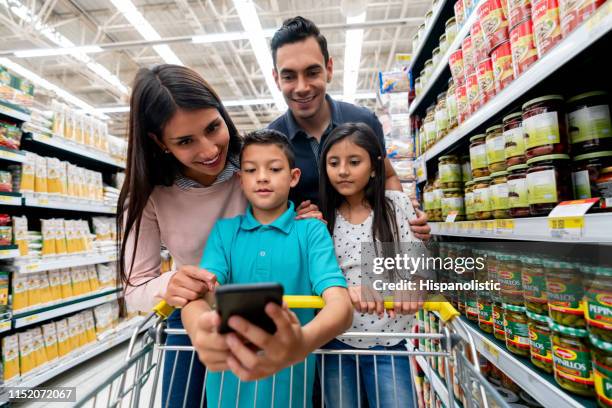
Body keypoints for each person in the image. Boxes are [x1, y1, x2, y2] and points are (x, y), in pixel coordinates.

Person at [118, 65, 322, 408]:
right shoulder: (148, 196)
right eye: (185, 141)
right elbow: (135, 287)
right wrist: (169, 283)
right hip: (192, 318)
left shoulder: (254, 166)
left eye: (213, 127)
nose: (210, 149)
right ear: (159, 143)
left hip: (269, 310)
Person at [181, 130, 353, 408]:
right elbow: (200, 294)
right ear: (241, 179)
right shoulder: (225, 233)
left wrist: (301, 343)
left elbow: (340, 306)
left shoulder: (311, 232)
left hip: (289, 391)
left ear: (294, 177)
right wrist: (200, 331)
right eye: (251, 170)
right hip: (226, 390)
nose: (262, 177)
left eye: (274, 169)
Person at [267, 16, 431, 241]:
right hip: (307, 258)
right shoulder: (270, 143)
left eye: (312, 72)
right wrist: (289, 219)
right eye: (289, 76)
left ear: (329, 69)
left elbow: (389, 176)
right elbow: (263, 210)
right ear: (276, 79)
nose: (302, 87)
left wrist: (403, 217)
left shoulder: (364, 122)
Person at [318, 122, 423, 407]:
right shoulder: (323, 219)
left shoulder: (394, 205)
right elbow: (319, 274)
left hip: (388, 343)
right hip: (336, 341)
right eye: (333, 162)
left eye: (354, 162)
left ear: (374, 167)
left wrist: (413, 285)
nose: (342, 171)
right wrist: (345, 290)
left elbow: (417, 261)